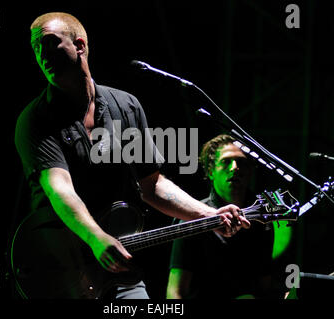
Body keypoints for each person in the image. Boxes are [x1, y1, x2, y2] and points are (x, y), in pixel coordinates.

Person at [14, 12, 250, 299]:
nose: (42, 54)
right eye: (36, 48)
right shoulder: (36, 119)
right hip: (58, 264)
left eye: (50, 43)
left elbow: (151, 184)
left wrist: (209, 214)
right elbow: (60, 189)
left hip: (117, 273)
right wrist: (96, 238)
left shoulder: (125, 106)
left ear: (80, 45)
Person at [167, 134, 275, 299]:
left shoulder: (262, 220)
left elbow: (265, 285)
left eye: (242, 162)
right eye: (226, 161)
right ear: (210, 171)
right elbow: (176, 292)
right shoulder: (192, 218)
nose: (234, 168)